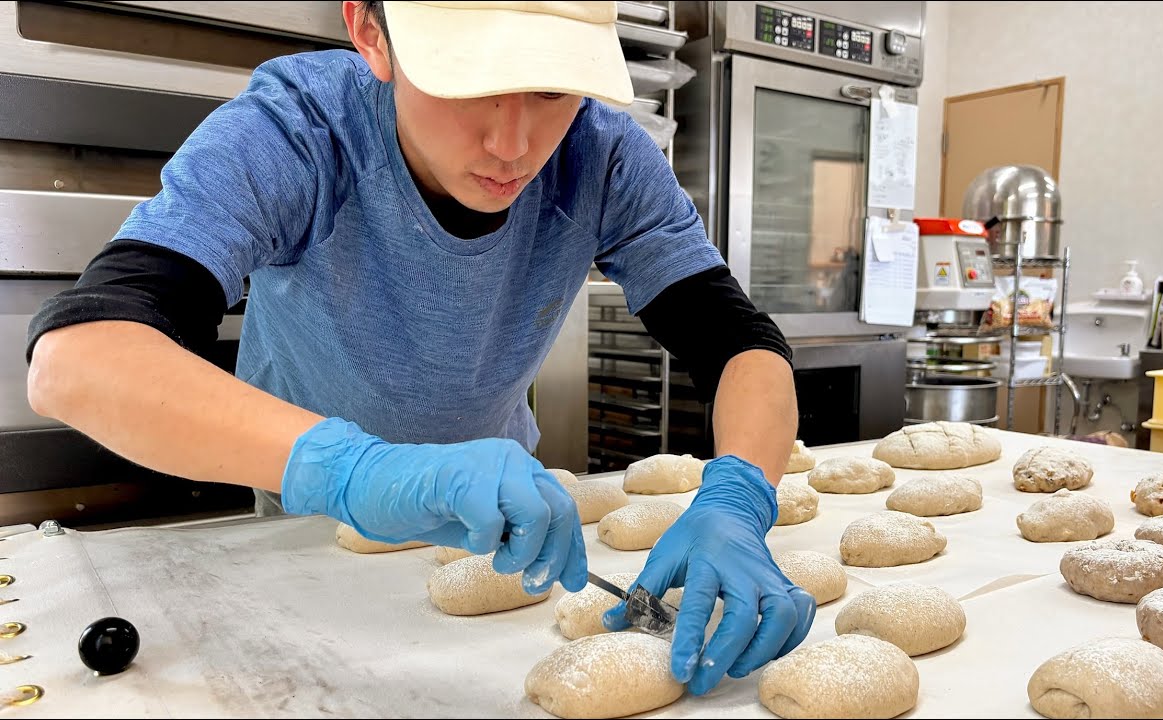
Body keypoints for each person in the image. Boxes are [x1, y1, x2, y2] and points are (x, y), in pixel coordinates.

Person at [24, 0, 814, 695]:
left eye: (551, 89)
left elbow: (739, 344)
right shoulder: (301, 130)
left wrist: (741, 494)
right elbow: (77, 359)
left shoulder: (602, 158)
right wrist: (355, 472)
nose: (513, 143)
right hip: (308, 513)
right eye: (468, 83)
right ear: (372, 33)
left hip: (506, 520)